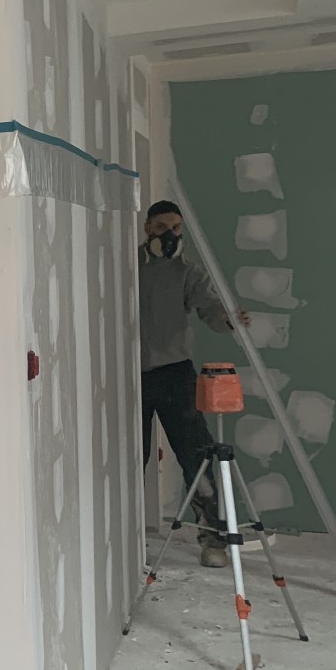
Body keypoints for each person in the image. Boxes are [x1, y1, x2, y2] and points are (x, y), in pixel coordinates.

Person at [139, 200, 250, 567]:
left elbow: (210, 308)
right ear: (147, 229)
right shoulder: (127, 266)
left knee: (196, 456)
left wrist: (229, 320)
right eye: (161, 228)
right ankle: (124, 539)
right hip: (129, 375)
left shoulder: (188, 272)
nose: (169, 235)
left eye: (175, 228)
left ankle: (213, 539)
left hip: (175, 373)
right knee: (129, 459)